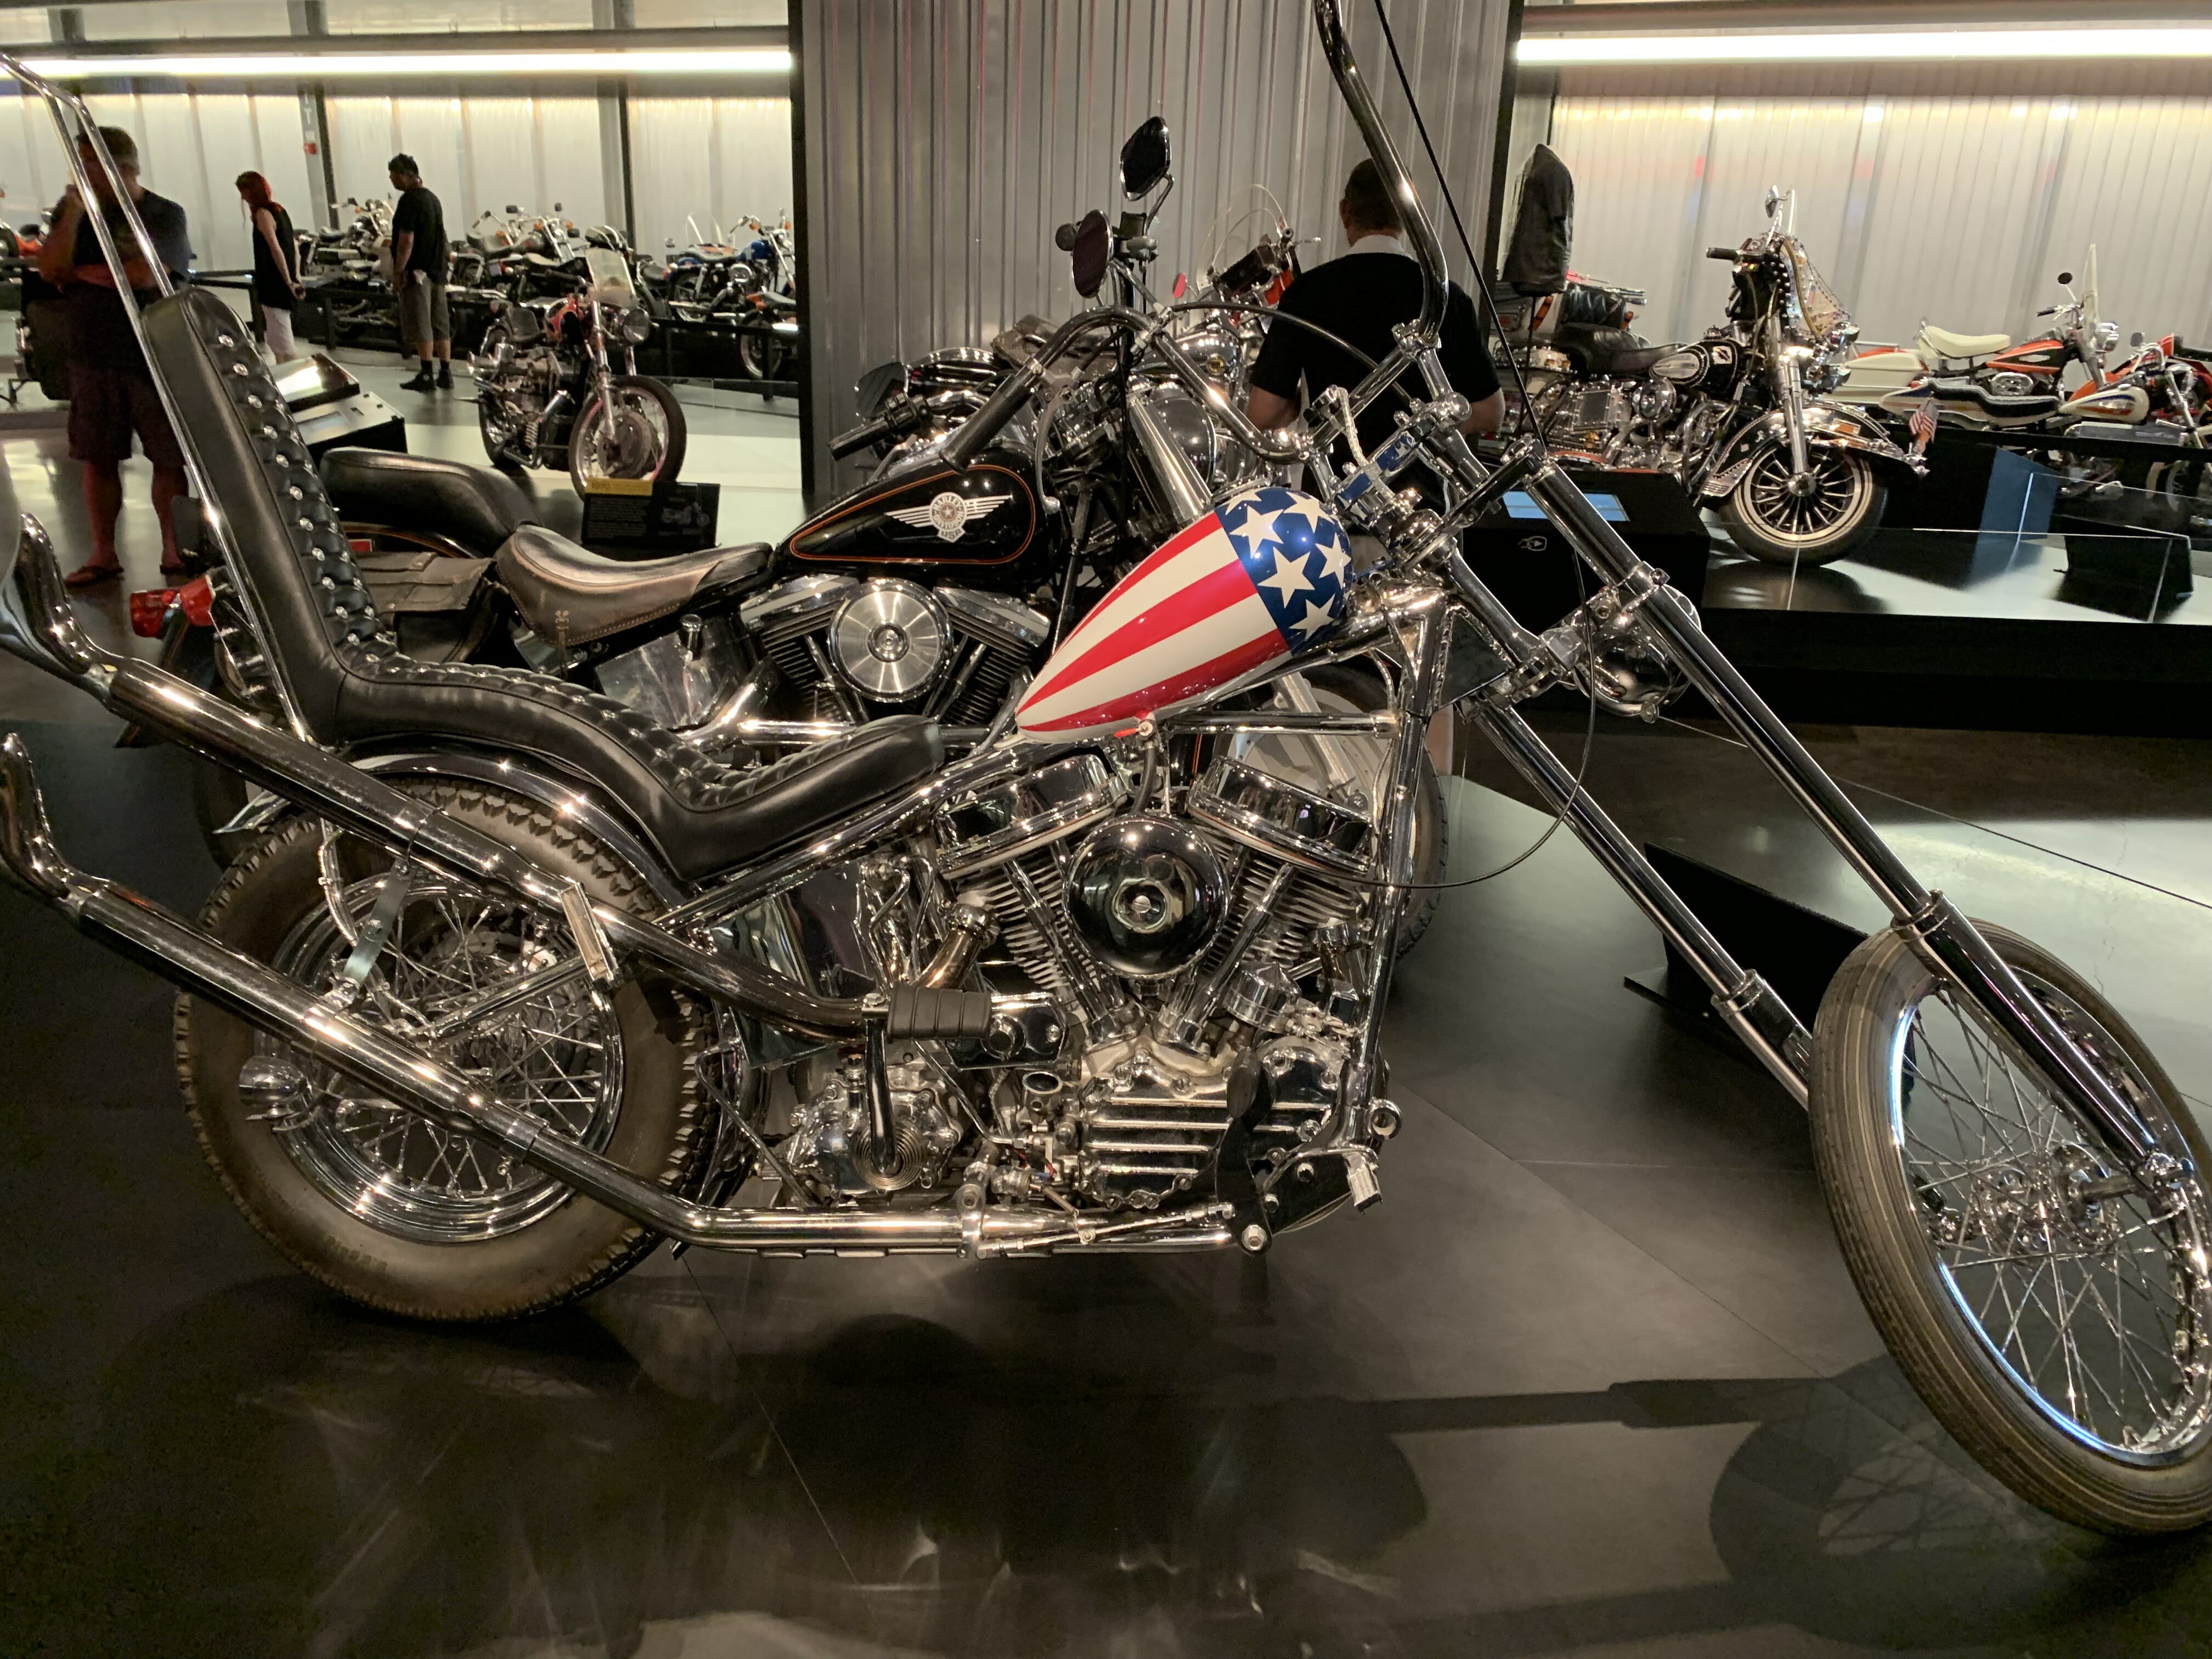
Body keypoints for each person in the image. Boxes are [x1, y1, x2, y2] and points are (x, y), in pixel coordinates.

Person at [1245, 157, 1504, 456]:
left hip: (1334, 482)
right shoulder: (1446, 298)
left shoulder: (1306, 293)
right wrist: (1427, 429)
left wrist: (1298, 404)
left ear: (1345, 211)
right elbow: (1491, 412)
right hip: (1422, 480)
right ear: (1408, 216)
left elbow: (1262, 414)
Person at [34, 125, 194, 588]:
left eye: (89, 164)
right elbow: (49, 269)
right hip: (92, 355)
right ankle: (103, 552)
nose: (81, 174)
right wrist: (72, 215)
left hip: (152, 356)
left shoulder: (163, 215)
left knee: (168, 456)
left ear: (121, 167)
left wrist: (78, 274)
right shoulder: (74, 214)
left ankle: (173, 548)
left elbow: (145, 275)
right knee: (97, 457)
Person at [387, 153, 450, 390]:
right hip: (437, 271)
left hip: (417, 273)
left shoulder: (409, 201)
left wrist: (398, 271)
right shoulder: (433, 199)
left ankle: (426, 374)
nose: (392, 180)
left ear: (405, 175)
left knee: (422, 323)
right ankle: (446, 373)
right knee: (440, 324)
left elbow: (407, 241)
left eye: (394, 175)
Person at [235, 170, 305, 362]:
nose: (243, 197)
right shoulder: (279, 210)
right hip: (283, 281)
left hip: (273, 284)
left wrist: (288, 280)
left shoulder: (262, 214)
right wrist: (295, 277)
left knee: (284, 343)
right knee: (278, 339)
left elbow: (276, 249)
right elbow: (293, 247)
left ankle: (294, 375)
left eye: (244, 192)